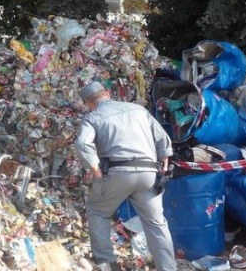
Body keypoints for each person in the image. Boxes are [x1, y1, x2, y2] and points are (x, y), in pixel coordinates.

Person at [74, 81, 177, 271]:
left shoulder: (93, 117)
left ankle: (108, 265)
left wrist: (95, 170)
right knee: (156, 223)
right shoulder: (138, 110)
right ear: (107, 92)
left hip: (117, 173)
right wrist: (163, 166)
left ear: (88, 103)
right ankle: (169, 268)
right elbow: (163, 139)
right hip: (148, 174)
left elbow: (82, 144)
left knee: (97, 212)